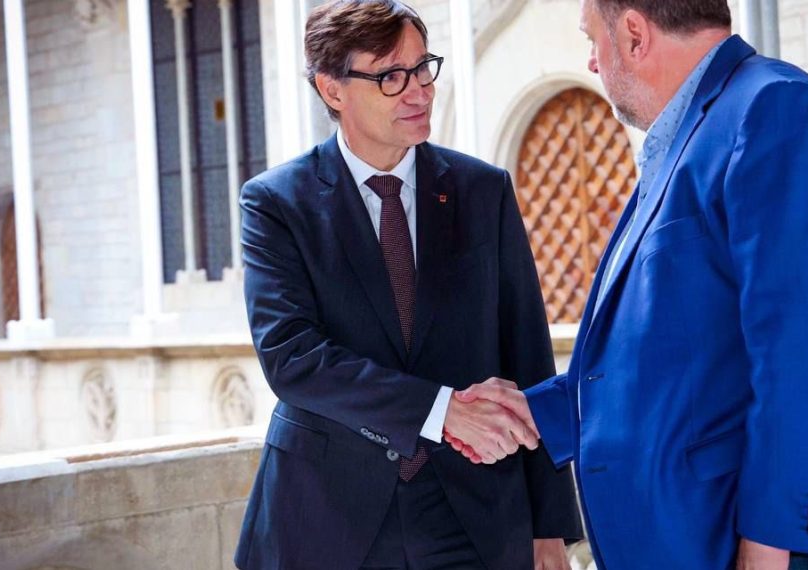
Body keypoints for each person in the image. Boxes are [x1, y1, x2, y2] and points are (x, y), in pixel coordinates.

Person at [450, 1, 808, 568]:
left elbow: (804, 358)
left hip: (801, 548)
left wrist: (767, 546)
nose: (591, 62)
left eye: (593, 40)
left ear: (634, 34)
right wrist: (539, 412)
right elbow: (685, 356)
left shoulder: (777, 112)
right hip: (698, 536)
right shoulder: (690, 137)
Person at [232, 1, 582, 568]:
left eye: (424, 68)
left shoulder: (483, 190)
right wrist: (441, 410)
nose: (419, 90)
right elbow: (292, 358)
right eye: (391, 76)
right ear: (333, 89)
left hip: (472, 516)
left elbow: (528, 358)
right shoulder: (276, 203)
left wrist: (549, 525)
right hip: (327, 515)